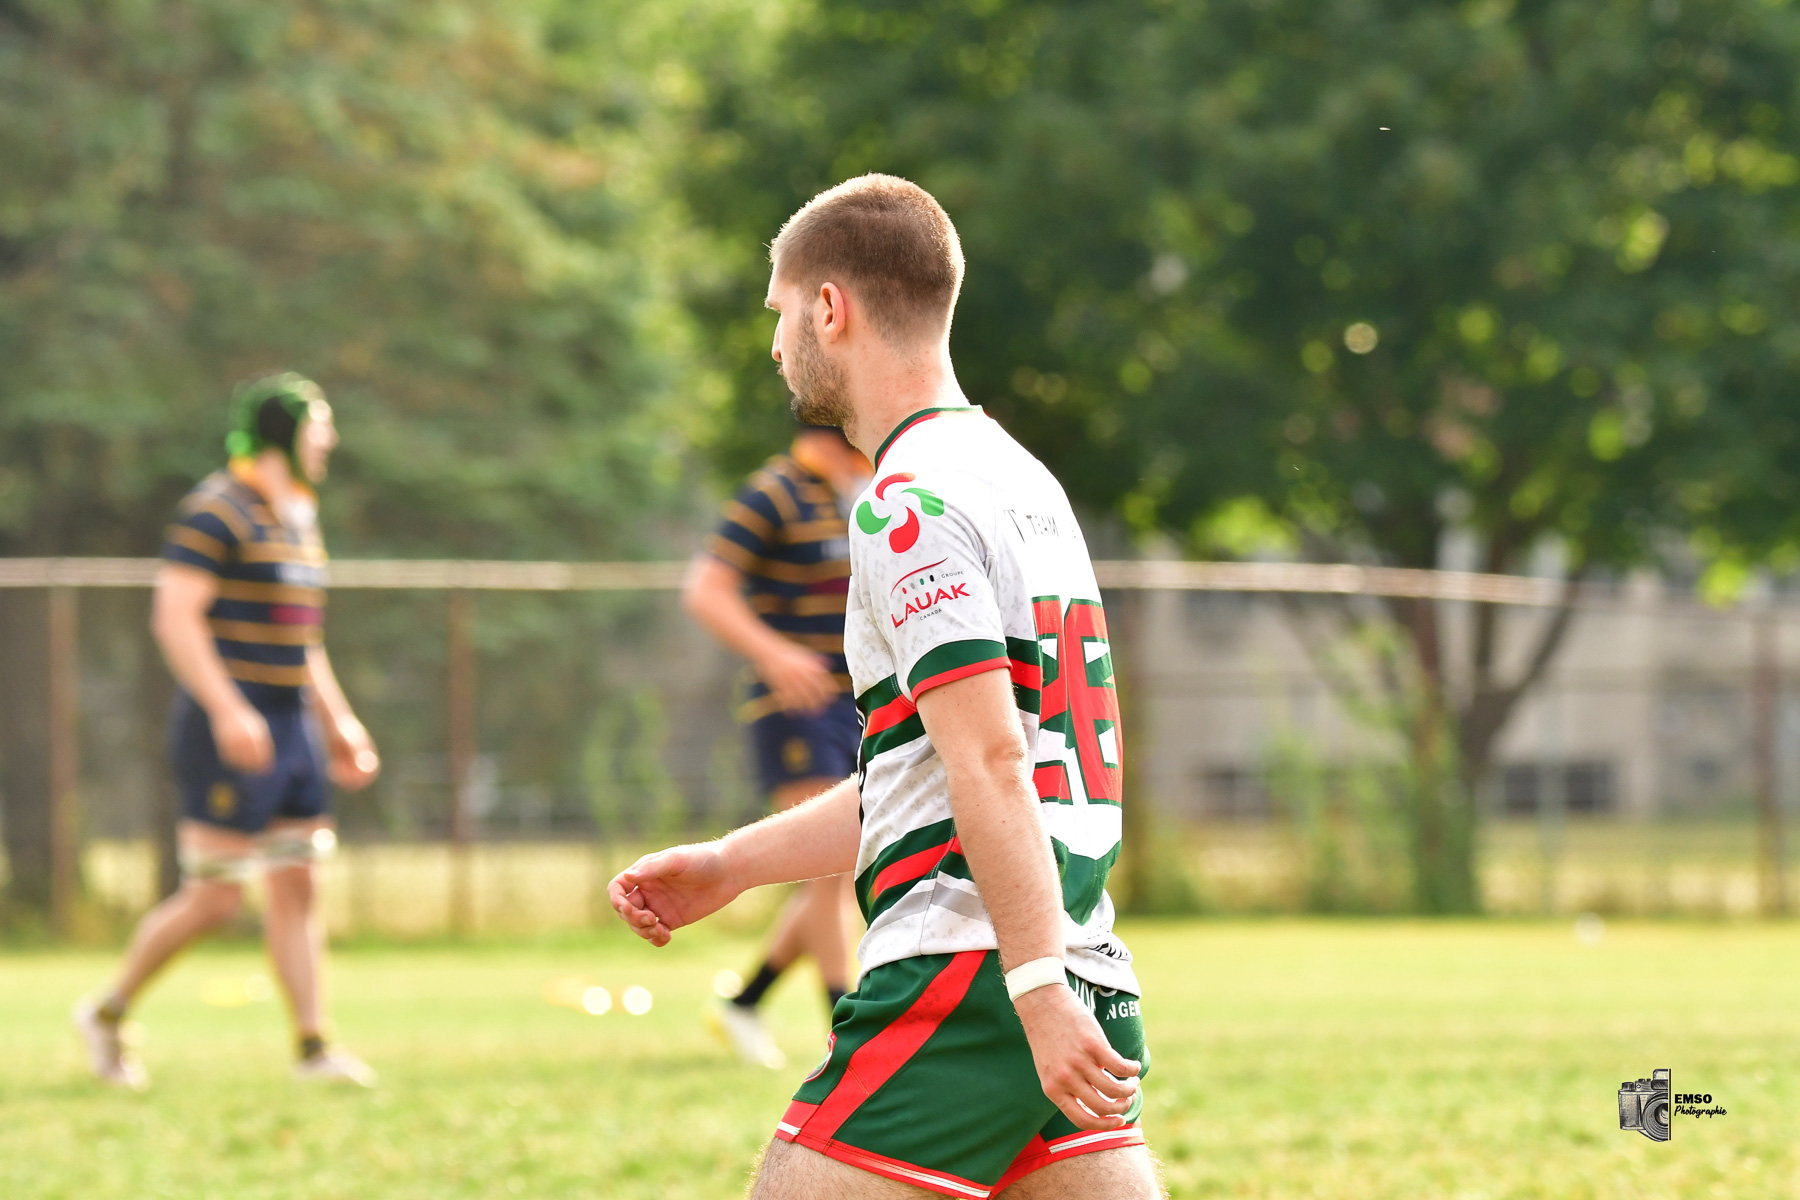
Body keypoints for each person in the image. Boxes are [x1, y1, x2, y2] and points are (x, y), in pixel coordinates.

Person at [611, 175, 1162, 1199]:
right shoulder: (1022, 480)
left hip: (974, 982)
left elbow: (989, 760)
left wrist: (1033, 989)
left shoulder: (903, 505)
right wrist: (734, 864)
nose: (776, 346)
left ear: (830, 308)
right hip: (1079, 966)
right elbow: (936, 775)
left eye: (779, 312)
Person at [74, 373, 381, 1090]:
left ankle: (313, 1048)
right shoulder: (216, 509)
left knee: (298, 882)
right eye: (320, 427)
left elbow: (303, 638)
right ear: (285, 431)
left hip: (292, 723)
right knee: (216, 897)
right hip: (230, 724)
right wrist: (227, 708)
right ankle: (107, 1013)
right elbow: (174, 617)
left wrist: (337, 721)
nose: (330, 440)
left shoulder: (298, 515)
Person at [683, 422, 871, 1068]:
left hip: (853, 703)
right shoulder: (772, 493)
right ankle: (846, 1030)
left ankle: (746, 1002)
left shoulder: (853, 493)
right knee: (828, 874)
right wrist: (775, 654)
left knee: (840, 867)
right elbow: (705, 589)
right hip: (797, 705)